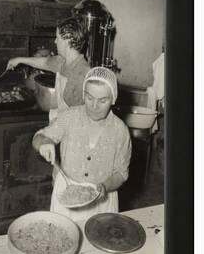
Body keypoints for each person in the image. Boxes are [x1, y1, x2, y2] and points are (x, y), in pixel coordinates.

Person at [32, 66, 132, 223]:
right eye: (89, 97)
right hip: (67, 194)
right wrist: (44, 143)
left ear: (113, 99)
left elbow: (121, 173)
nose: (94, 106)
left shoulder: (120, 130)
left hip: (102, 199)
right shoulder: (70, 117)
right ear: (83, 94)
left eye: (102, 100)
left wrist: (103, 188)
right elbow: (39, 136)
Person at [7, 16, 89, 121]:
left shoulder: (81, 74)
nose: (55, 42)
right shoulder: (64, 61)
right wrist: (19, 60)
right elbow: (45, 62)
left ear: (67, 41)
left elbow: (77, 117)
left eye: (57, 38)